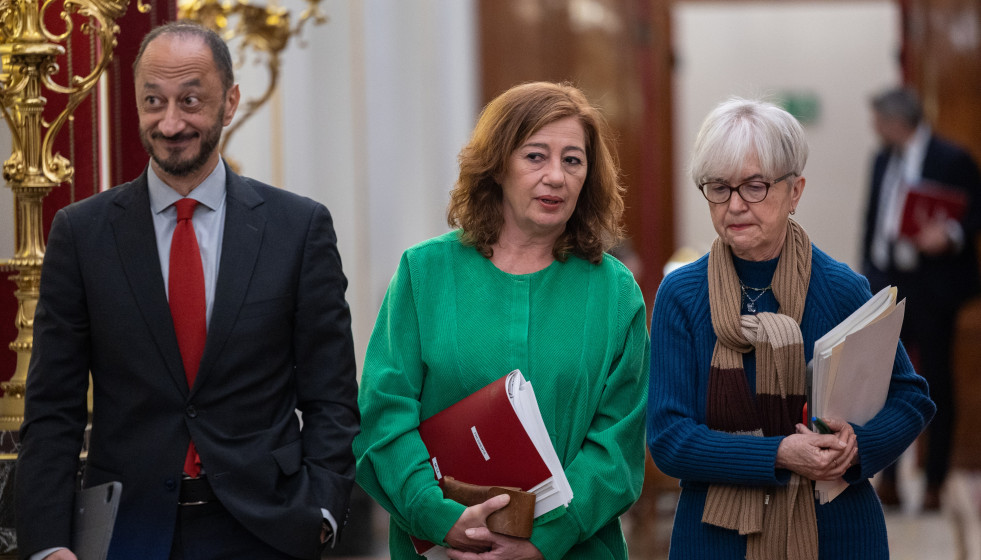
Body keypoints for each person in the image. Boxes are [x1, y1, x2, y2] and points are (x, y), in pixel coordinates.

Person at [15, 21, 359, 560]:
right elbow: (53, 408)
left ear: (230, 102)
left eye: (190, 100)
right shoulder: (81, 234)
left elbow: (331, 397)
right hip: (125, 534)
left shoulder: (299, 228)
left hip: (267, 531)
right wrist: (48, 544)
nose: (170, 122)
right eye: (153, 101)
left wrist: (319, 514)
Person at [354, 81, 649, 559]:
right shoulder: (424, 272)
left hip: (573, 549)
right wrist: (442, 519)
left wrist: (541, 539)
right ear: (496, 166)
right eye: (536, 156)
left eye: (572, 160)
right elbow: (384, 416)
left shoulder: (615, 292)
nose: (556, 176)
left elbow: (618, 447)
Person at [647, 97, 935, 559]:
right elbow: (669, 440)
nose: (735, 205)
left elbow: (912, 398)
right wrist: (780, 455)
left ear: (795, 191)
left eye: (755, 186)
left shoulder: (841, 288)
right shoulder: (681, 295)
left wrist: (858, 445)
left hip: (836, 534)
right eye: (718, 188)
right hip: (716, 540)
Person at [861, 86, 981, 510]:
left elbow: (974, 212)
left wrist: (948, 236)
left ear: (899, 120)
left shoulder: (952, 158)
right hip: (887, 284)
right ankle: (889, 478)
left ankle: (933, 481)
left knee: (934, 385)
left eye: (878, 119)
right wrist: (866, 282)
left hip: (934, 288)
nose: (874, 128)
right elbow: (873, 223)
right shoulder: (881, 160)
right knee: (883, 384)